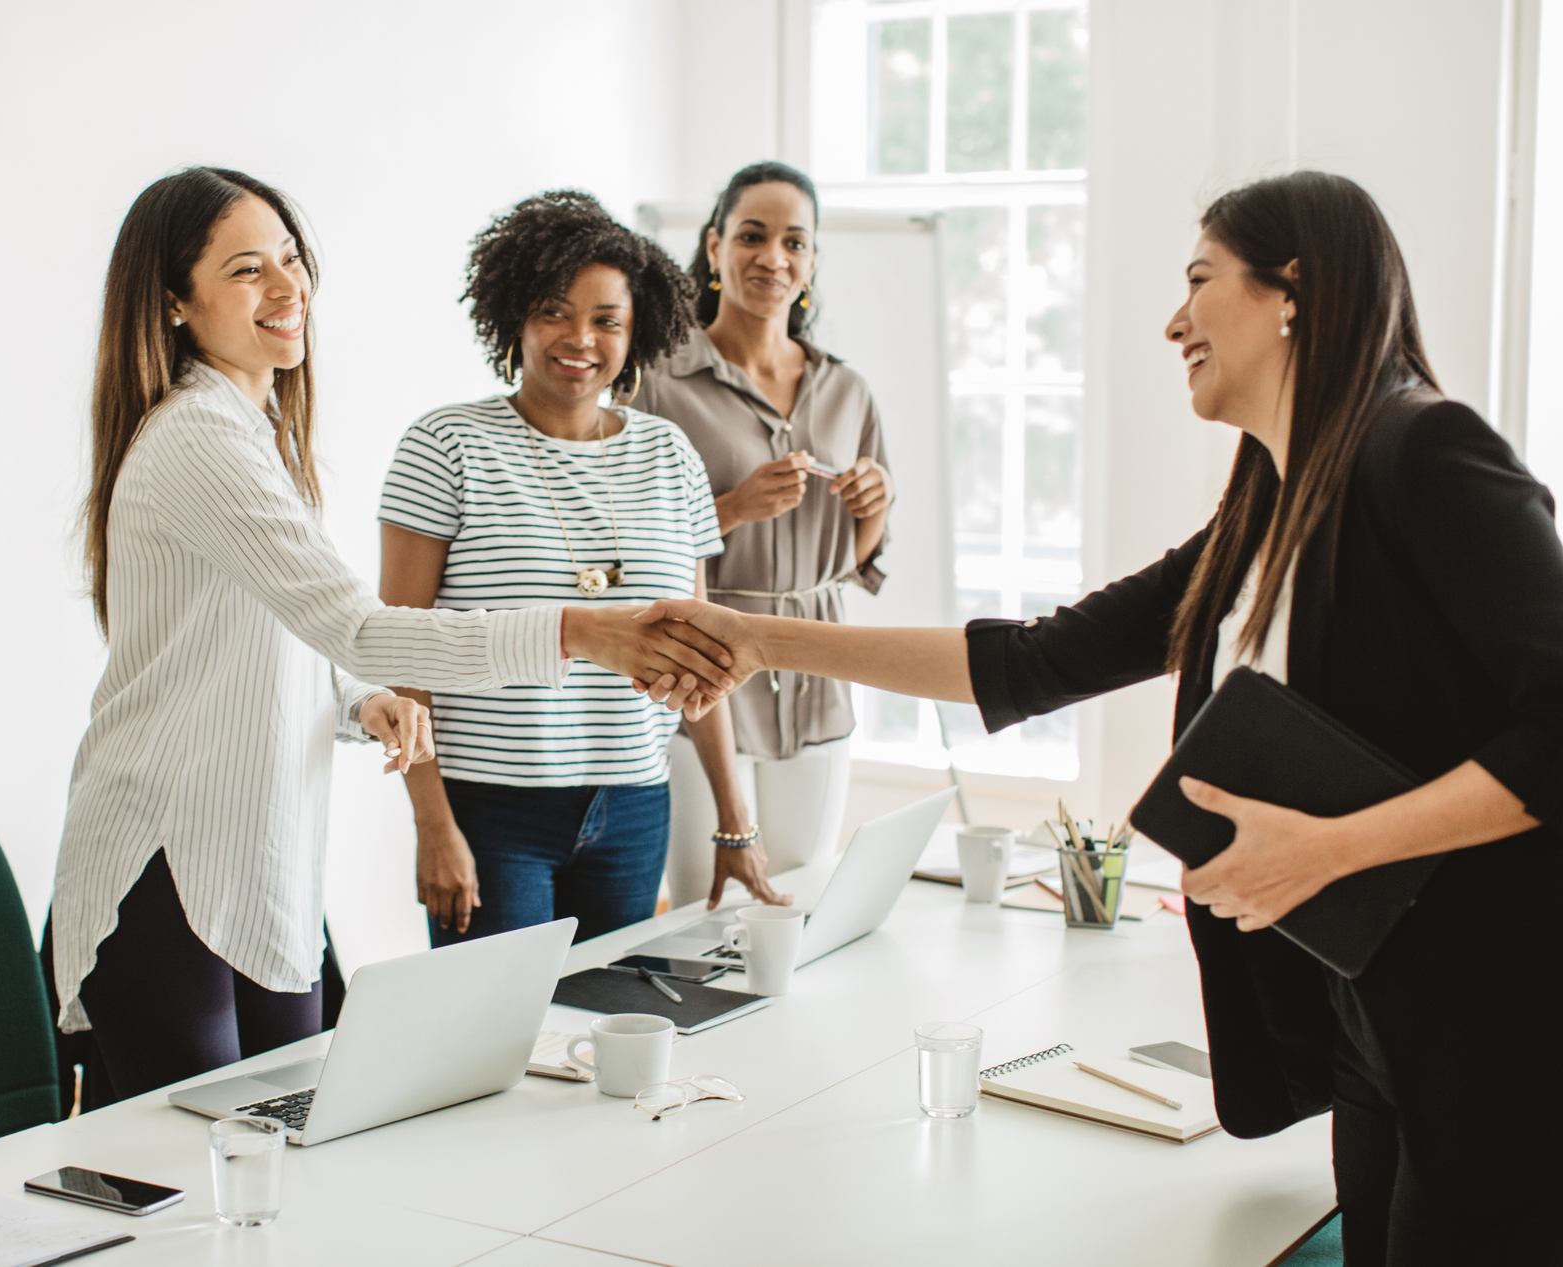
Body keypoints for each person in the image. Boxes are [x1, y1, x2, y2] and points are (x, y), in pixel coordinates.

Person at [634, 171, 1563, 1263]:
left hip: (1489, 1022)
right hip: (1369, 1012)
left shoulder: (1428, 452)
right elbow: (1031, 661)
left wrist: (1330, 850)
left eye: (1199, 283)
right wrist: (758, 639)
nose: (1175, 323)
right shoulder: (1268, 498)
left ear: (1292, 292)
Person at [50, 169, 734, 1102]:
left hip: (258, 859)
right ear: (175, 300)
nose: (289, 289)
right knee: (195, 1180)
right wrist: (582, 632)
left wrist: (361, 703)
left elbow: (286, 648)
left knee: (283, 1148)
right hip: (166, 853)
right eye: (248, 269)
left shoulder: (253, 433)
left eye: (290, 259)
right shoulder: (200, 437)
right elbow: (362, 625)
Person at [378, 191, 770, 945]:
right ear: (514, 316)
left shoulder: (669, 455)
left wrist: (734, 817)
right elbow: (400, 652)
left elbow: (704, 655)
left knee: (609, 1034)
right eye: (554, 311)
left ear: (637, 329)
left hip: (633, 808)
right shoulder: (446, 445)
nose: (579, 338)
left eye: (606, 320)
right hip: (491, 812)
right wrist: (433, 823)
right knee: (497, 1042)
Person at [634, 162, 893, 909]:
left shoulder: (847, 389)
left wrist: (873, 506)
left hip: (818, 672)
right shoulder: (658, 382)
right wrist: (735, 507)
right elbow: (635, 544)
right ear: (715, 247)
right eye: (751, 235)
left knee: (804, 894)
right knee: (700, 903)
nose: (772, 257)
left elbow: (861, 561)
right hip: (700, 665)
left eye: (793, 242)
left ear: (811, 262)